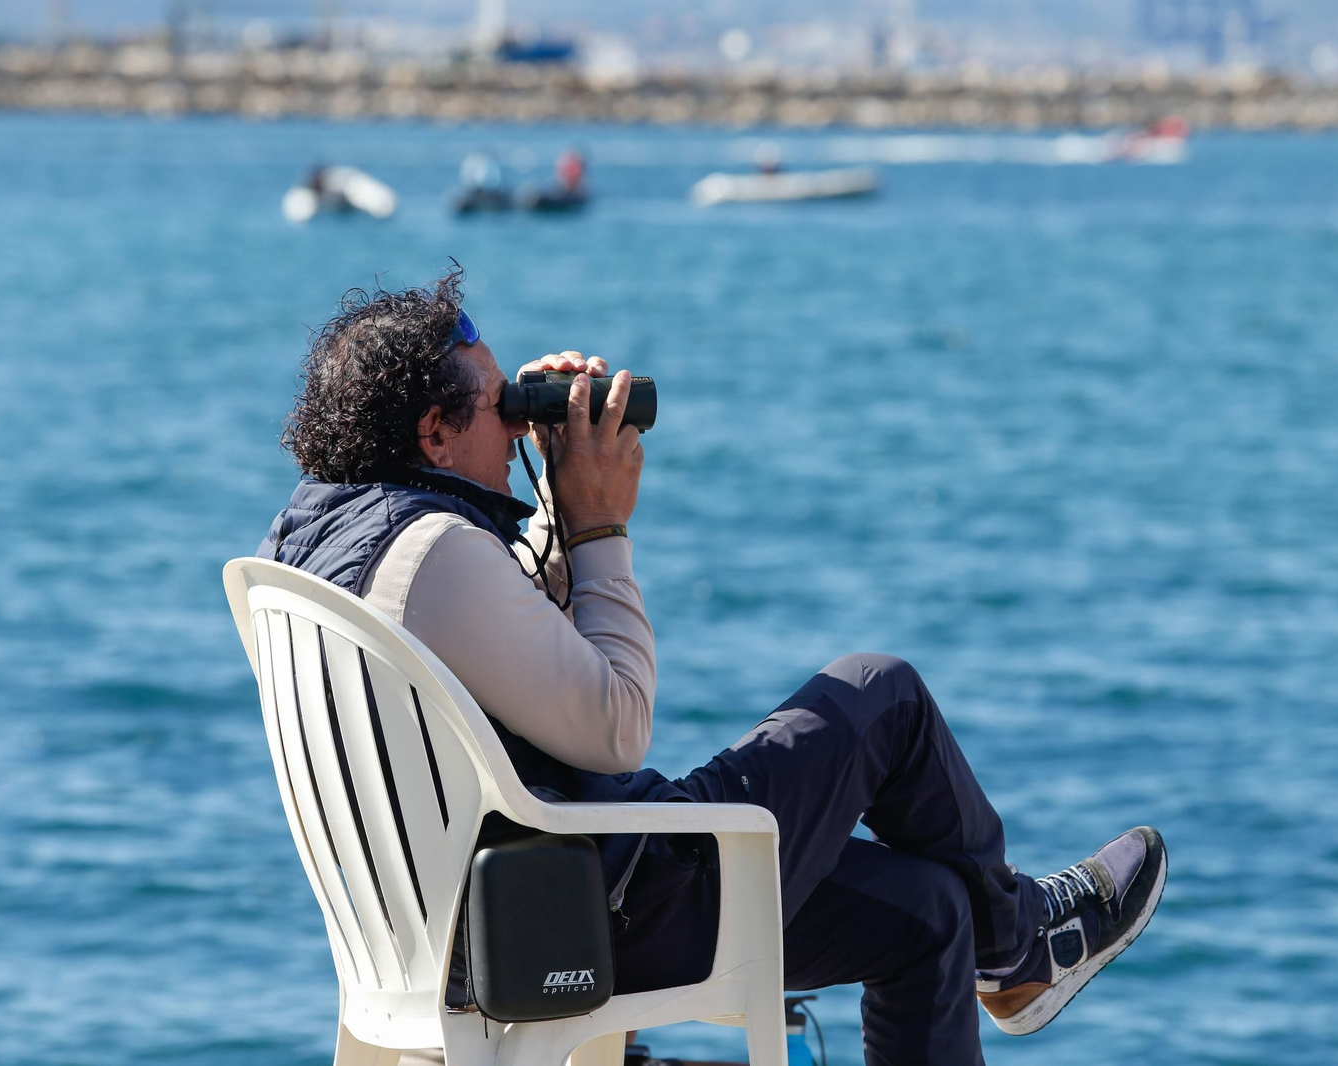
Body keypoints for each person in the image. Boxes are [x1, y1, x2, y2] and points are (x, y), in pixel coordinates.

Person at [259, 268, 1167, 1064]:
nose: (514, 423)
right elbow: (615, 729)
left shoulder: (321, 541)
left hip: (478, 927)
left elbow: (503, 641)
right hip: (607, 914)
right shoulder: (434, 552)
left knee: (931, 908)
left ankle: (1001, 945)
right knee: (880, 693)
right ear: (434, 433)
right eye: (500, 405)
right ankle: (1023, 952)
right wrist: (599, 526)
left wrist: (548, 508)